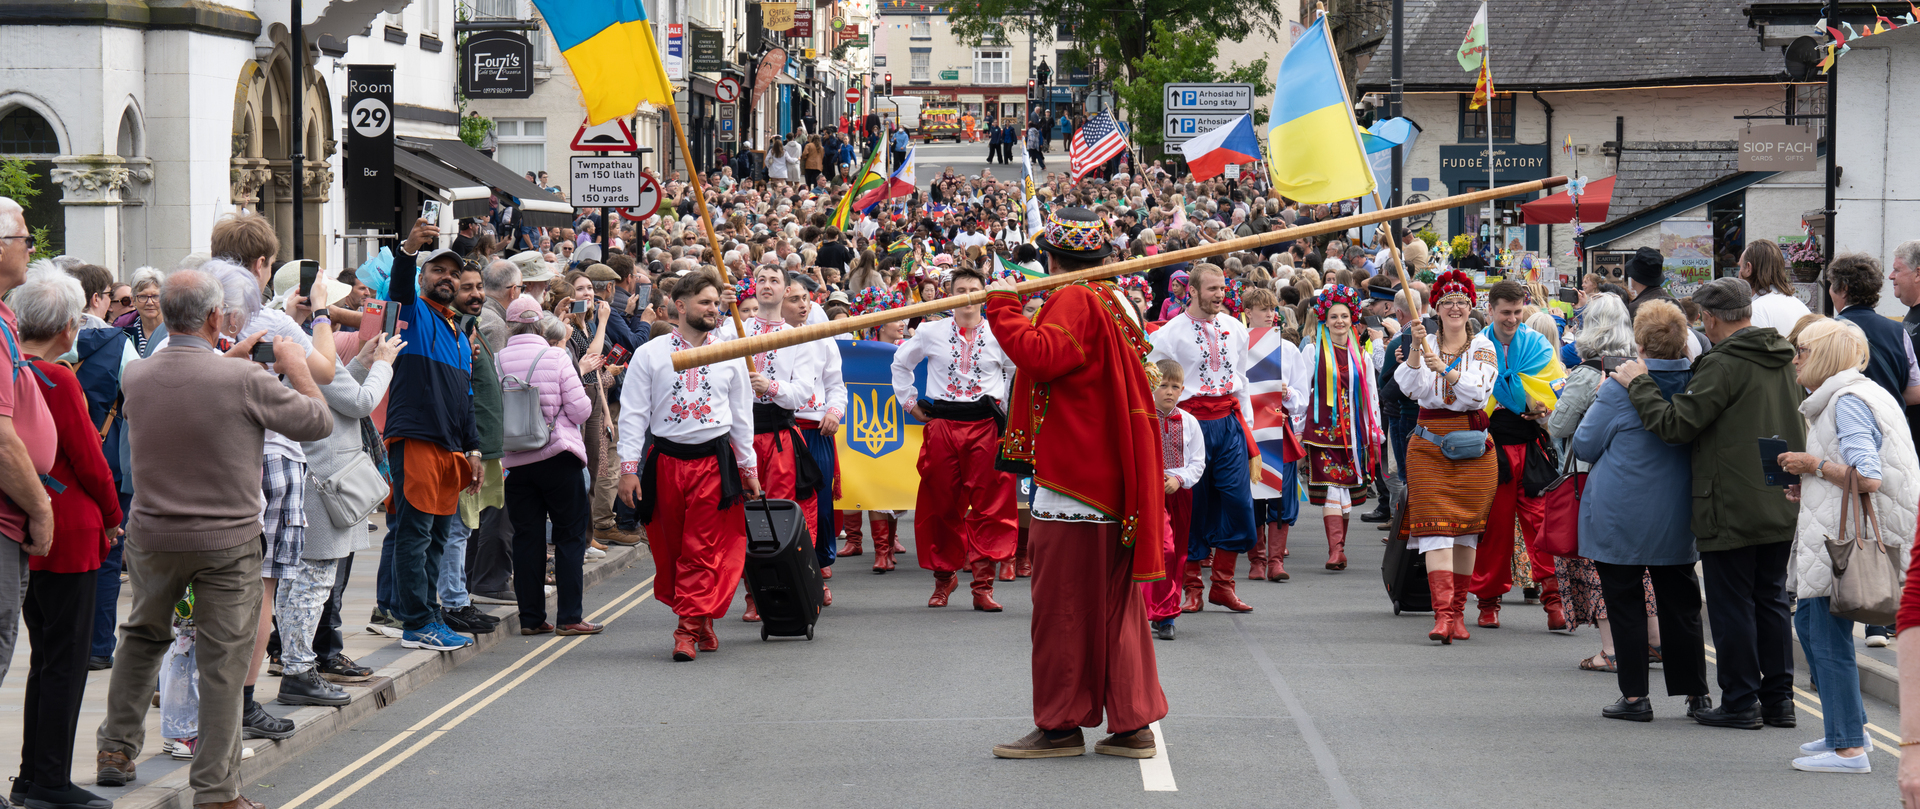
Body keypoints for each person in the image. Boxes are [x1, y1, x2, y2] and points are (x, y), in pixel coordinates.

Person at [97, 266, 331, 809]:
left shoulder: (138, 376)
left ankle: (115, 747)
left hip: (153, 535)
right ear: (212, 317)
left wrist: (229, 356)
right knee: (223, 662)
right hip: (226, 542)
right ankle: (216, 792)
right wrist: (296, 367)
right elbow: (317, 422)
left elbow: (184, 378)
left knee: (141, 636)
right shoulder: (245, 380)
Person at [983, 207, 1167, 759]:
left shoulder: (1078, 298)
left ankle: (1060, 725)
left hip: (1077, 480)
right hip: (1104, 477)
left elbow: (1042, 357)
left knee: (1062, 608)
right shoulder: (1111, 297)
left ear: (1052, 257)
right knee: (1112, 607)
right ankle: (1130, 723)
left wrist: (1003, 309)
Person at [1610, 276, 1804, 730]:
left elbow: (1677, 425)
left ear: (1712, 318)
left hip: (1730, 501)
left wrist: (1640, 384)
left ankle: (1740, 700)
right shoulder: (1782, 357)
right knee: (1771, 600)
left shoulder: (1724, 364)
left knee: (1732, 603)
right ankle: (1779, 700)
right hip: (1779, 496)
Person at [1774, 318, 1917, 772]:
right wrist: (1810, 482)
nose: (1795, 359)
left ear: (1826, 356)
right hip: (1838, 531)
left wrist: (1813, 465)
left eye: (1802, 351)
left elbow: (1869, 476)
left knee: (1821, 631)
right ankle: (1845, 733)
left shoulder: (1846, 402)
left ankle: (1850, 748)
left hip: (1841, 540)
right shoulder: (1859, 394)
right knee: (1814, 628)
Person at [1564, 299, 1710, 720]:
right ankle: (1695, 693)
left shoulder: (1618, 386)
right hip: (1677, 509)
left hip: (1620, 510)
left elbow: (1587, 445)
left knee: (1625, 602)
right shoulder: (1697, 383)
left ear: (1640, 344)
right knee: (1681, 603)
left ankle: (1634, 697)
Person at [12, 268, 119, 809]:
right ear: (67, 327)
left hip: (25, 530)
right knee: (66, 664)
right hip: (70, 530)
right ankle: (49, 781)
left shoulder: (13, 372)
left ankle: (33, 775)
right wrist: (115, 512)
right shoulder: (59, 378)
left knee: (43, 659)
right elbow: (90, 460)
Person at [618, 272, 763, 662]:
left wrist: (748, 469)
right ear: (679, 306)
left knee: (703, 549)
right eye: (705, 302)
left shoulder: (732, 351)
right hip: (665, 463)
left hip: (715, 465)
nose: (714, 309)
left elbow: (741, 416)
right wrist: (628, 468)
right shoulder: (650, 353)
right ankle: (702, 621)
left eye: (717, 302)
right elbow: (633, 414)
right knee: (671, 548)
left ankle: (685, 631)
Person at [279, 328, 402, 708]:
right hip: (325, 482)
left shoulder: (297, 348)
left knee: (296, 584)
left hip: (317, 478)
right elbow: (362, 403)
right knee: (312, 584)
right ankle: (298, 670)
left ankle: (297, 664)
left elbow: (338, 393)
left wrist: (361, 364)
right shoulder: (307, 347)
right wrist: (382, 365)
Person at [381, 217, 483, 654]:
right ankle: (416, 621)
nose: (447, 278)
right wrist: (407, 252)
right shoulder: (413, 313)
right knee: (415, 533)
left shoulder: (459, 333)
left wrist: (473, 449)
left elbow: (466, 398)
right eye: (438, 271)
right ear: (425, 277)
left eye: (453, 274)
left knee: (438, 535)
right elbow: (399, 290)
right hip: (417, 438)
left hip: (449, 448)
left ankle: (429, 615)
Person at [892, 265, 1017, 611]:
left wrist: (1005, 407)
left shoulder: (999, 333)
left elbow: (1015, 368)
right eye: (960, 291)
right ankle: (944, 578)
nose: (967, 298)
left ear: (985, 297)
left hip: (985, 426)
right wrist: (910, 403)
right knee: (940, 502)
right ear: (950, 297)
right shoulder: (931, 332)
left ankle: (983, 585)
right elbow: (900, 364)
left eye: (974, 291)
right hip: (943, 424)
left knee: (991, 504)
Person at [1395, 270, 1499, 643]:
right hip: (1428, 446)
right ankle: (1441, 616)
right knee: (1434, 532)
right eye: (1447, 302)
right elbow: (1410, 389)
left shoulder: (1484, 347)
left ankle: (1457, 613)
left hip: (1472, 451)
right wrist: (1415, 352)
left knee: (1465, 535)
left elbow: (1478, 395)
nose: (1455, 307)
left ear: (1470, 307)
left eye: (1461, 301)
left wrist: (1447, 370)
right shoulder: (1423, 343)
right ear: (1436, 309)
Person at [499, 298, 604, 637]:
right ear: (540, 328)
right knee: (570, 537)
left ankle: (531, 619)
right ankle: (570, 617)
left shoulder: (496, 360)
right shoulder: (556, 356)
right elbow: (580, 411)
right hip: (559, 455)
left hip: (515, 460)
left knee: (527, 538)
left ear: (510, 326)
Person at [1468, 280, 1563, 630]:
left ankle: (1554, 603)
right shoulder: (1478, 346)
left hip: (1530, 448)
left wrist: (1536, 406)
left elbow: (1552, 388)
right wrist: (1524, 396)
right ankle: (1488, 603)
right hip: (1492, 450)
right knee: (1493, 529)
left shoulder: (1536, 343)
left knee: (1543, 526)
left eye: (1517, 312)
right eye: (1505, 312)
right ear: (1491, 310)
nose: (1512, 319)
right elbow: (1472, 394)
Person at [1298, 284, 1382, 571]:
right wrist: (1298, 428)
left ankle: (1339, 549)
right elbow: (1302, 391)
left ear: (1352, 319)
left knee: (1343, 489)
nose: (1339, 322)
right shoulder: (1312, 352)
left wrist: (1375, 428)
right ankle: (1336, 550)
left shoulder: (1363, 357)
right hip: (1323, 431)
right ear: (1325, 320)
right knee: (1333, 487)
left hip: (1355, 431)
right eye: (1334, 317)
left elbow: (1371, 394)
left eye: (1344, 316)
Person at [1142, 359, 1206, 640]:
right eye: (1163, 385)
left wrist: (1178, 479)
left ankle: (1167, 614)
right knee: (1155, 550)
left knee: (1177, 552)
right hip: (1148, 493)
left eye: (1175, 387)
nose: (1169, 391)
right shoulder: (1143, 418)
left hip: (1179, 493)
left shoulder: (1189, 422)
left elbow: (1198, 461)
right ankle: (1144, 610)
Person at [1740, 240, 1811, 334]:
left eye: (1740, 266)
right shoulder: (1801, 306)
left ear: (1748, 268)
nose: (1738, 274)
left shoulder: (1755, 311)